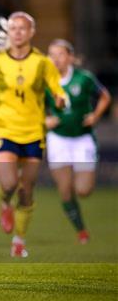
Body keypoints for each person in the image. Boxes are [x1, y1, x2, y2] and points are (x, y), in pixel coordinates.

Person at [0, 12, 67, 257]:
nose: (18, 32)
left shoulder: (42, 63)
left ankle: (19, 241)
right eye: (14, 28)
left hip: (34, 132)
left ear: (32, 32)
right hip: (3, 129)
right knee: (10, 183)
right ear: (8, 32)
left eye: (23, 28)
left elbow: (56, 89)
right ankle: (3, 202)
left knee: (26, 190)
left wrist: (61, 100)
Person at [45, 39, 112, 244]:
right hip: (58, 139)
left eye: (60, 54)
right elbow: (31, 107)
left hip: (82, 139)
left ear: (71, 57)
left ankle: (79, 182)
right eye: (51, 54)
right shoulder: (44, 81)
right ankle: (81, 231)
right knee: (65, 191)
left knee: (83, 190)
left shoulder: (84, 78)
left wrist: (96, 116)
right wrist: (44, 120)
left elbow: (105, 96)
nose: (55, 59)